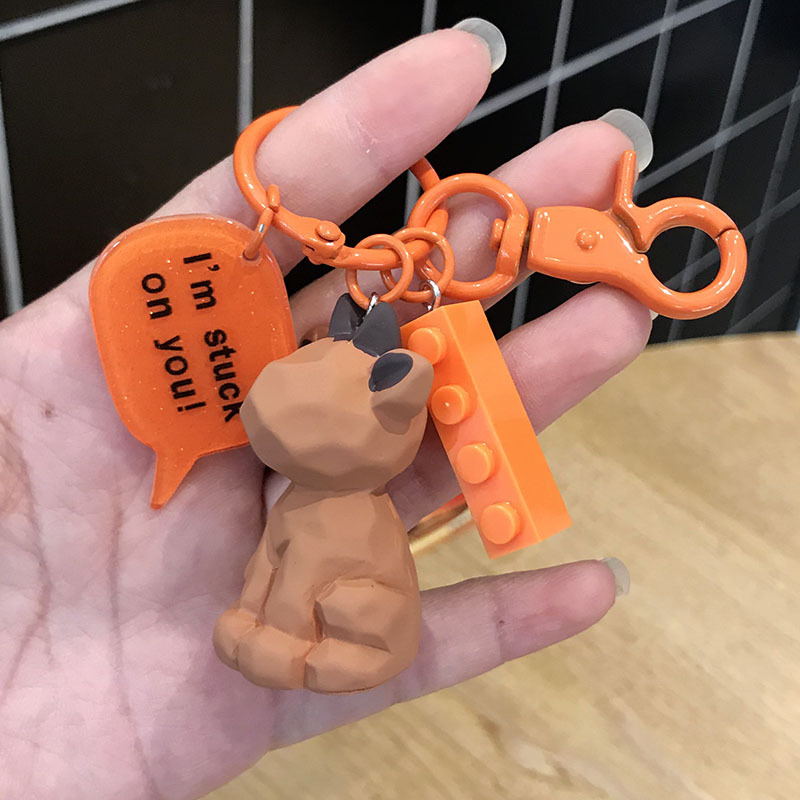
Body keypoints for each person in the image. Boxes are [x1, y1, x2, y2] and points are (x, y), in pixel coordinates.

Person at [0, 25, 650, 799]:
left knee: (340, 593)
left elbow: (303, 567)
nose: (261, 415)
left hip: (359, 617)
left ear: (393, 407)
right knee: (276, 577)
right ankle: (272, 632)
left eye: (303, 414)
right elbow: (276, 559)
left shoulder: (351, 489)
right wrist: (256, 610)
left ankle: (345, 647)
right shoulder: (302, 492)